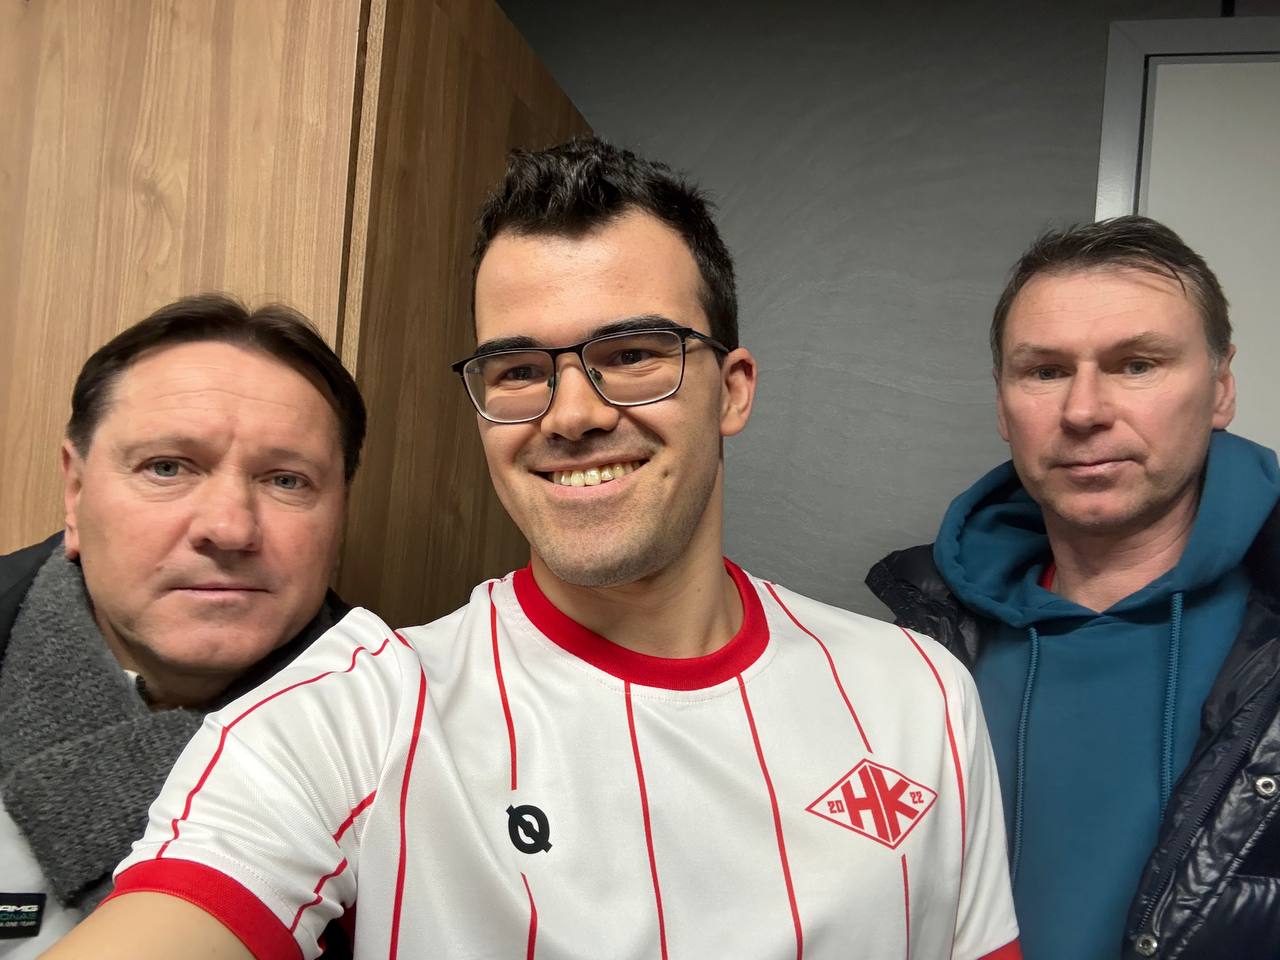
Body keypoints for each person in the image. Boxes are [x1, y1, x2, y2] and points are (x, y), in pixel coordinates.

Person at [47, 138, 1020, 960]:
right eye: (517, 370)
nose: (572, 414)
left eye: (632, 355)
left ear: (730, 391)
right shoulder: (356, 712)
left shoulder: (917, 697)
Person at [867, 215, 1280, 960]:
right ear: (1003, 405)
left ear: (1221, 390)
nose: (1084, 411)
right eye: (1046, 371)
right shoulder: (916, 644)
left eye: (1137, 364)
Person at [0, 294, 366, 959]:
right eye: (167, 467)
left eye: (287, 481)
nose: (228, 528)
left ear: (340, 514)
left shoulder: (414, 742)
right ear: (75, 492)